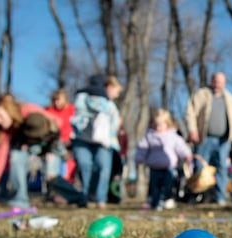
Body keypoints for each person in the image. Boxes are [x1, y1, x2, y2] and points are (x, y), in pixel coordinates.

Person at [0, 94, 62, 209]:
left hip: (49, 142)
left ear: (9, 110)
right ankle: (20, 201)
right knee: (16, 157)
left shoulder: (27, 110)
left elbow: (57, 122)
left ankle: (77, 196)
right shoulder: (7, 131)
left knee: (52, 176)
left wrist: (51, 143)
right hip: (27, 147)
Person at [185, 72, 232, 205]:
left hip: (223, 141)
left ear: (225, 83)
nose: (218, 84)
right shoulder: (201, 95)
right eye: (215, 81)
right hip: (204, 138)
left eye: (221, 82)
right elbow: (190, 113)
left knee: (222, 167)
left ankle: (220, 197)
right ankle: (198, 196)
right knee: (200, 166)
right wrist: (193, 130)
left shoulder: (231, 99)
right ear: (212, 81)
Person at [71, 75, 122, 208]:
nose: (117, 94)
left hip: (104, 140)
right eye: (116, 90)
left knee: (103, 167)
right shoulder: (83, 97)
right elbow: (78, 113)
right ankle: (86, 196)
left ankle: (100, 199)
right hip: (83, 137)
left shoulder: (111, 105)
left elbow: (115, 123)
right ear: (108, 88)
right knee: (85, 165)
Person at [134, 108, 192, 211]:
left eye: (161, 125)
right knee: (154, 186)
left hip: (169, 167)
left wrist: (187, 155)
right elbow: (142, 148)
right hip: (154, 167)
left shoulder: (172, 136)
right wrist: (139, 160)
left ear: (167, 124)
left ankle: (167, 199)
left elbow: (181, 146)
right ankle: (155, 202)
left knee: (168, 184)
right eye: (155, 125)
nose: (158, 127)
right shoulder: (150, 136)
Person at [45, 89, 77, 182]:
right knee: (52, 166)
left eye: (59, 99)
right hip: (53, 143)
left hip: (69, 142)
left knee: (68, 166)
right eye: (54, 100)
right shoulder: (49, 111)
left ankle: (68, 187)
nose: (56, 102)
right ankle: (53, 188)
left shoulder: (71, 110)